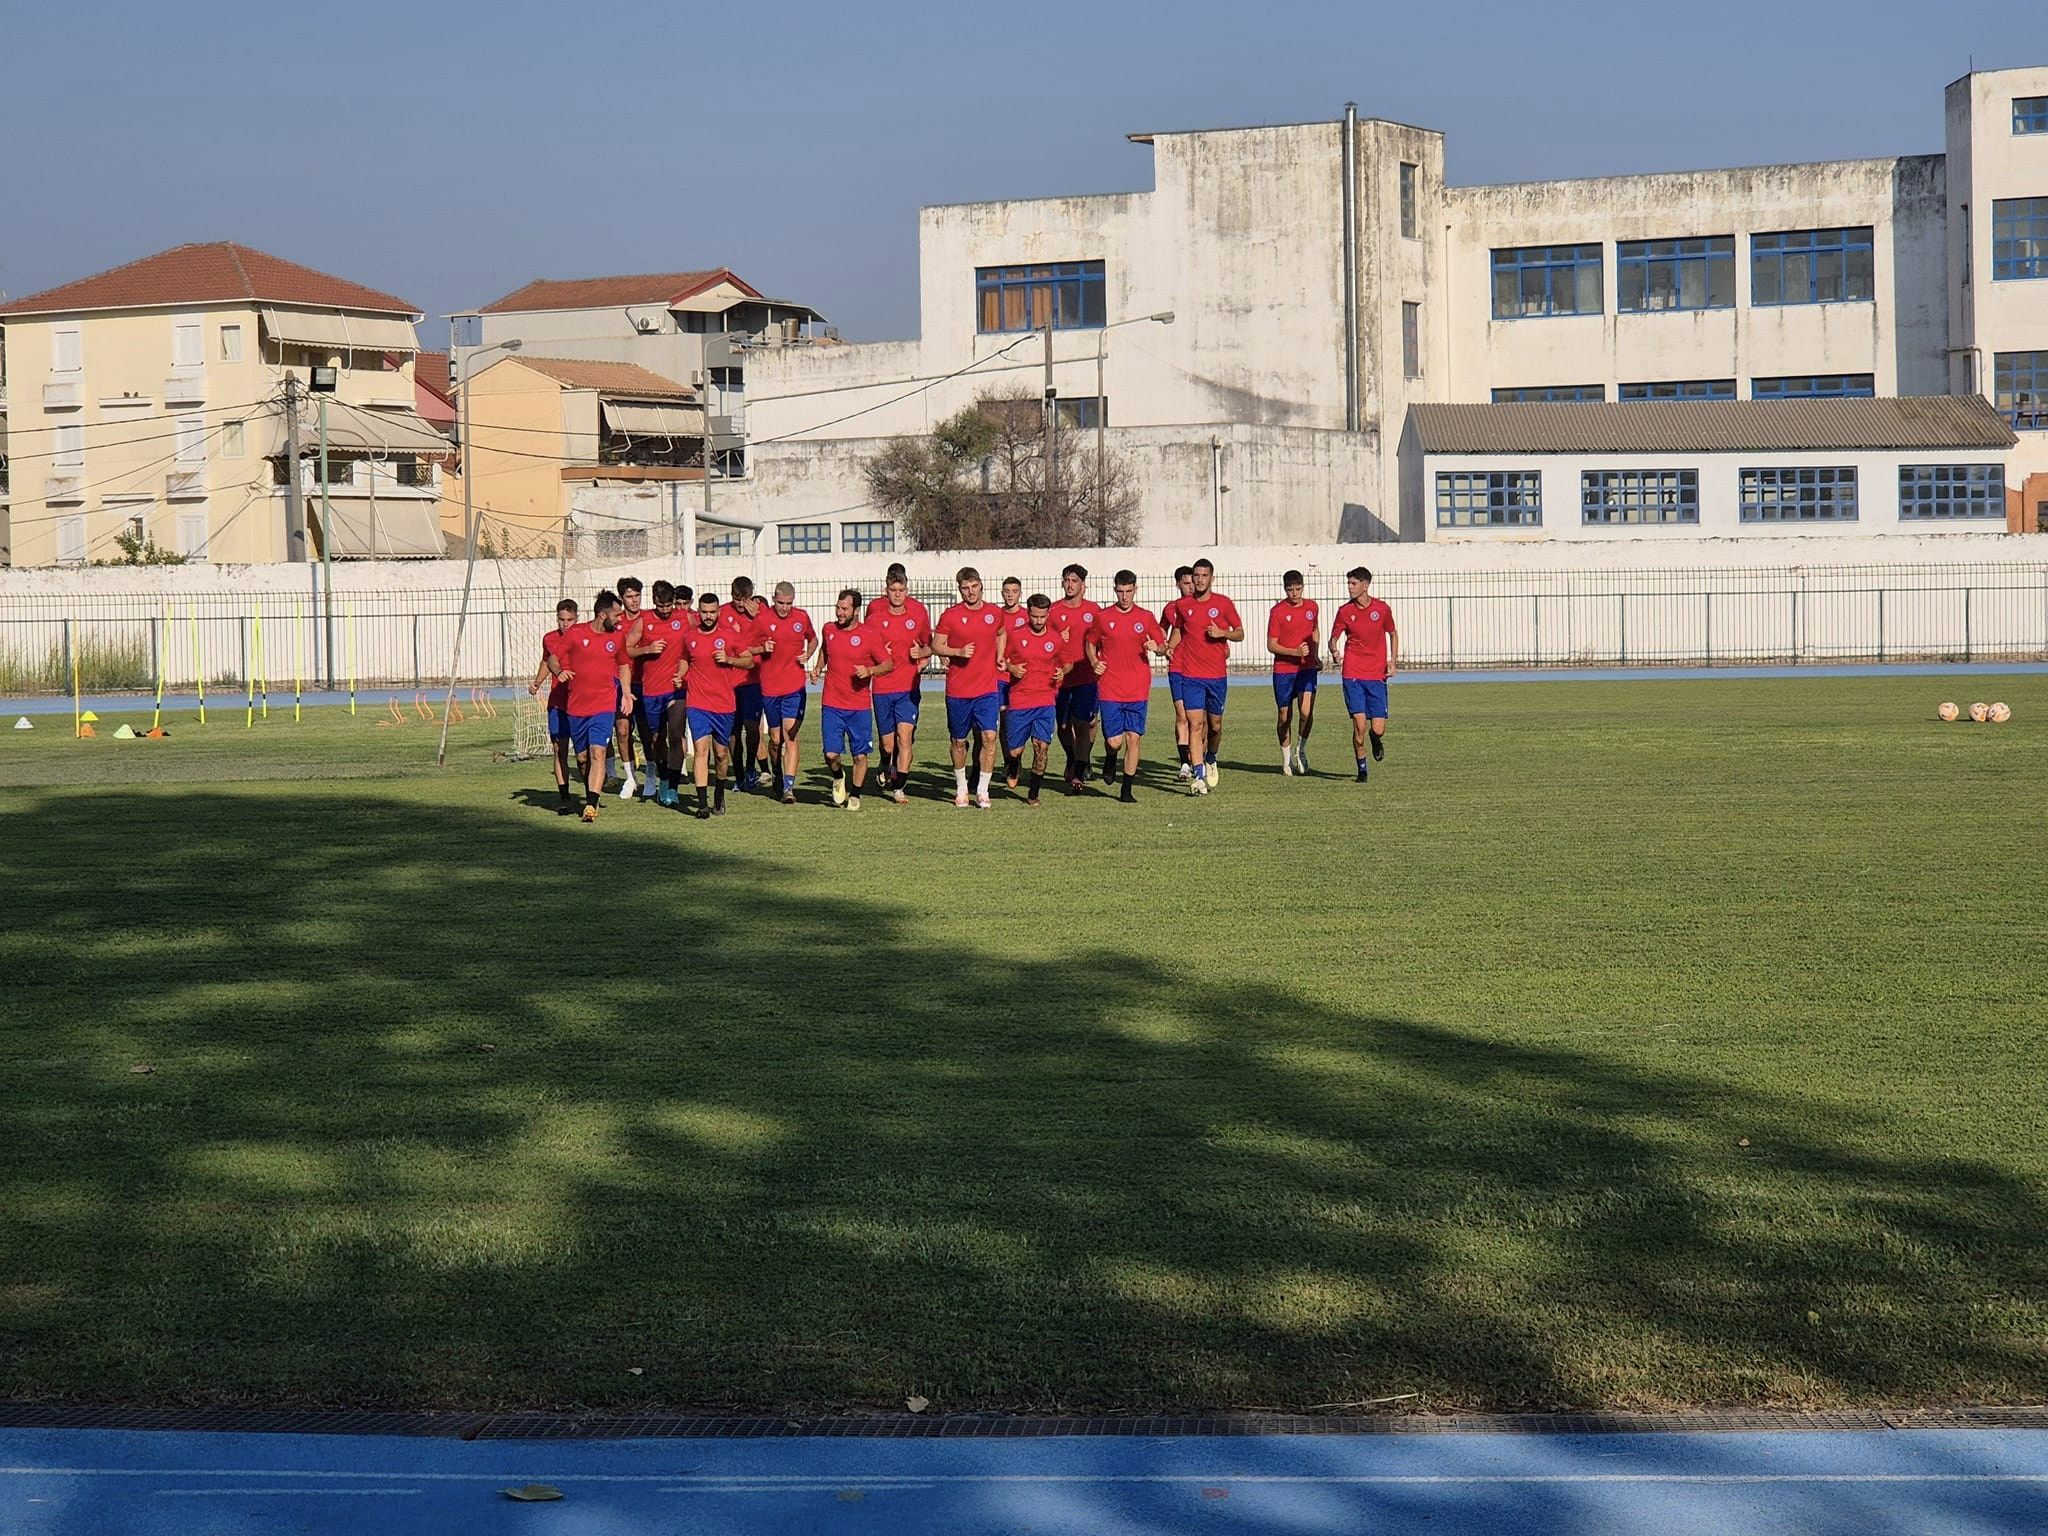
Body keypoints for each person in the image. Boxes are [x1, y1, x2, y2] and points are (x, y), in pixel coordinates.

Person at [547, 590, 632, 823]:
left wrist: (625, 693)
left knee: (598, 752)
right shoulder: (576, 634)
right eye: (617, 614)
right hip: (576, 708)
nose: (620, 618)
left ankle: (591, 805)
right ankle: (589, 792)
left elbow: (624, 665)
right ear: (603, 615)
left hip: (604, 705)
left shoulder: (617, 638)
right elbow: (552, 658)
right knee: (583, 757)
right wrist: (559, 671)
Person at [1086, 569, 1164, 804]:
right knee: (1115, 742)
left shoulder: (1146, 617)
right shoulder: (1103, 617)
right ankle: (1111, 757)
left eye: (1129, 591)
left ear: (1135, 590)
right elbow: (1090, 643)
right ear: (1115, 590)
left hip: (1138, 687)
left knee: (1134, 739)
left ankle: (1126, 790)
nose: (1124, 596)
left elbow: (1162, 646)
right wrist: (1094, 662)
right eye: (1120, 591)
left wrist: (1156, 646)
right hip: (1110, 687)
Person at [813, 587, 893, 811]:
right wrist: (819, 667)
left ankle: (855, 794)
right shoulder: (828, 629)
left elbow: (888, 664)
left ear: (856, 611)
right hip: (832, 704)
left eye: (844, 609)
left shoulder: (869, 635)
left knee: (859, 756)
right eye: (838, 607)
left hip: (859, 707)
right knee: (831, 754)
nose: (839, 612)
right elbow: (825, 649)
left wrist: (869, 672)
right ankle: (838, 777)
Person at [679, 590, 756, 819]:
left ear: (719, 612)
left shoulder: (730, 636)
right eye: (704, 612)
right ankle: (702, 804)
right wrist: (680, 674)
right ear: (699, 612)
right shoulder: (690, 637)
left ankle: (719, 793)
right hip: (697, 702)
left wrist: (729, 660)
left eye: (712, 612)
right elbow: (685, 659)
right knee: (701, 750)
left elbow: (749, 661)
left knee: (721, 754)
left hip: (723, 703)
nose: (708, 616)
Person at [1169, 558, 1242, 795]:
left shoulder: (1223, 603)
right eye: (1196, 576)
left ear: (1212, 577)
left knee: (1215, 726)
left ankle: (1211, 757)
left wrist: (1223, 633)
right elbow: (1178, 631)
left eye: (1204, 575)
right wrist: (1166, 648)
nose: (1199, 580)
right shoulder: (1182, 605)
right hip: (1191, 675)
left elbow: (1240, 633)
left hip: (1216, 676)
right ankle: (1198, 776)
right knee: (1195, 724)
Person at [932, 566, 1004, 809]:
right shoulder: (951, 615)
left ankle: (983, 790)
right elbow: (936, 645)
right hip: (959, 690)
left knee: (989, 737)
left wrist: (1000, 656)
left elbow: (1002, 633)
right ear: (959, 589)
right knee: (959, 741)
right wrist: (957, 652)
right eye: (965, 588)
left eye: (974, 586)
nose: (970, 592)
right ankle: (962, 788)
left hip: (987, 689)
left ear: (981, 585)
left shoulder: (994, 612)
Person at [866, 564, 932, 804]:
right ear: (886, 590)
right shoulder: (874, 618)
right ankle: (885, 761)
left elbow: (928, 644)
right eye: (893, 589)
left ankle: (899, 787)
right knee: (888, 743)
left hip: (908, 687)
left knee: (905, 737)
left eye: (901, 589)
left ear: (907, 589)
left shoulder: (917, 614)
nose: (897, 594)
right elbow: (866, 647)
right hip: (882, 687)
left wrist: (921, 659)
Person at [1328, 566, 1398, 783]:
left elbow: (1393, 633)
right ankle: (1362, 770)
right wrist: (1334, 649)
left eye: (1354, 583)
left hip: (1376, 675)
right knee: (1359, 724)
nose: (1349, 587)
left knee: (1378, 729)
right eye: (1348, 583)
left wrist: (1392, 661)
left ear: (1365, 585)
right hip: (1353, 674)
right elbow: (1334, 637)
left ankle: (1375, 740)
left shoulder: (1382, 609)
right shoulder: (1344, 611)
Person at [1003, 594, 1067, 808]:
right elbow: (1002, 660)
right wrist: (1012, 668)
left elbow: (1066, 663)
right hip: (1020, 700)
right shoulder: (1015, 635)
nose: (1038, 621)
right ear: (1027, 613)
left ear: (1048, 614)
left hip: (1046, 700)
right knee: (1015, 751)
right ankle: (1013, 765)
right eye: (1034, 616)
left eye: (1042, 616)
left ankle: (1033, 793)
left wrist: (1061, 672)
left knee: (1042, 747)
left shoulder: (1056, 638)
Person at [756, 581, 817, 805]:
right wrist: (762, 648)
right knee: (775, 740)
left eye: (788, 604)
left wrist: (808, 654)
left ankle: (789, 788)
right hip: (770, 688)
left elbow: (813, 640)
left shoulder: (801, 618)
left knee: (790, 735)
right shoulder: (762, 619)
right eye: (781, 603)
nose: (784, 608)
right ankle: (777, 772)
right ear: (774, 599)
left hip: (794, 687)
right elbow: (748, 647)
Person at [633, 581, 692, 807]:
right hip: (652, 691)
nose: (666, 610)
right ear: (654, 601)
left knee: (676, 736)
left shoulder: (685, 619)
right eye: (661, 605)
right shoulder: (644, 621)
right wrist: (646, 650)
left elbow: (696, 643)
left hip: (676, 689)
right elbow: (627, 648)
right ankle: (663, 777)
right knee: (658, 740)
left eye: (669, 605)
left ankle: (672, 788)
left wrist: (685, 672)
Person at [1049, 563, 1103, 794]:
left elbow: (1103, 639)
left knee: (1084, 723)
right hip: (1060, 677)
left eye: (1074, 581)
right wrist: (1056, 637)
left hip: (1086, 677)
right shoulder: (1053, 610)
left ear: (1083, 585)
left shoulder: (1094, 610)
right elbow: (1043, 639)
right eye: (1066, 580)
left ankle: (1079, 772)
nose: (1070, 585)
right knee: (1062, 725)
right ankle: (1073, 757)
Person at [1267, 569, 1321, 777]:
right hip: (1283, 671)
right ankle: (1286, 758)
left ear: (1303, 587)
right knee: (1284, 717)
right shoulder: (1277, 612)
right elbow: (1271, 645)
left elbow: (1314, 630)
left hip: (1306, 669)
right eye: (1290, 590)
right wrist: (1294, 652)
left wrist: (1314, 655)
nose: (1294, 594)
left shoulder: (1312, 607)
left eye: (1298, 589)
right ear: (1285, 589)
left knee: (1306, 712)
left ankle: (1301, 749)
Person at [719, 577, 772, 791]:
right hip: (728, 682)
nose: (741, 604)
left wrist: (759, 618)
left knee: (752, 728)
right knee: (733, 731)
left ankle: (751, 768)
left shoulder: (762, 615)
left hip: (752, 680)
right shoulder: (722, 613)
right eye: (737, 599)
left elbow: (770, 642)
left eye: (745, 599)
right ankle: (740, 775)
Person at [528, 597, 578, 811]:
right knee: (560, 749)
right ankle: (564, 796)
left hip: (581, 702)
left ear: (577, 618)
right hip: (558, 702)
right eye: (561, 619)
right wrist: (537, 682)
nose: (565, 624)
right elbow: (546, 660)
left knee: (584, 756)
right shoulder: (549, 639)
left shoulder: (584, 637)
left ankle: (590, 793)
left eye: (569, 619)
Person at [611, 575, 648, 799]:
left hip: (646, 683)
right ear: (622, 598)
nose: (634, 600)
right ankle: (630, 778)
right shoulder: (616, 622)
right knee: (623, 731)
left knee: (647, 733)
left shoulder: (650, 619)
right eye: (629, 596)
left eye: (637, 595)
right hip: (621, 683)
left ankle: (652, 775)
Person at [1160, 566, 1198, 780]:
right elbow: (1160, 629)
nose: (1191, 586)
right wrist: (1163, 647)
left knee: (1200, 719)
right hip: (1177, 667)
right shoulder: (1170, 609)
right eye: (1186, 583)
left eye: (1193, 581)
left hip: (1201, 668)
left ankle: (1201, 758)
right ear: (1178, 584)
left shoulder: (1203, 606)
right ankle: (1185, 762)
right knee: (1182, 715)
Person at [996, 576, 1029, 786]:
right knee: (1004, 720)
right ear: (1002, 593)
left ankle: (1017, 760)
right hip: (999, 675)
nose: (1010, 595)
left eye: (1014, 591)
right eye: (1007, 591)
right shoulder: (995, 615)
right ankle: (1009, 761)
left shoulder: (1027, 616)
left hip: (1021, 676)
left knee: (1019, 720)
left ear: (1020, 593)